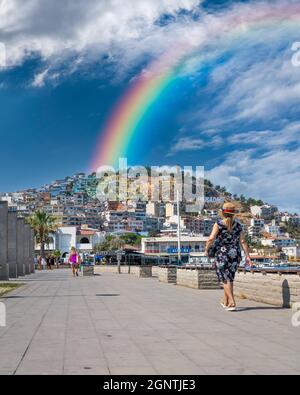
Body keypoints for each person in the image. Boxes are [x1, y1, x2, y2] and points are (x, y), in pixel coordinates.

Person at [205, 202, 252, 312]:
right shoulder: (239, 225)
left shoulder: (219, 224)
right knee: (229, 278)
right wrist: (248, 256)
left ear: (222, 213)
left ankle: (232, 302)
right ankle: (224, 301)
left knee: (225, 279)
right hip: (235, 254)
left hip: (222, 254)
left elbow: (211, 238)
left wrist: (206, 249)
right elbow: (243, 241)